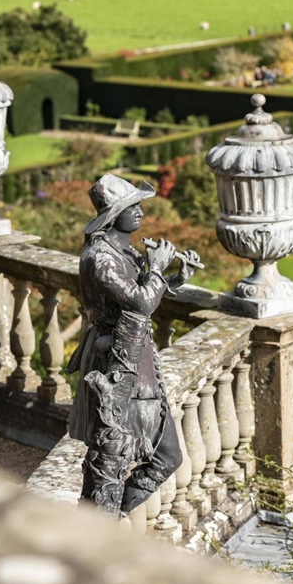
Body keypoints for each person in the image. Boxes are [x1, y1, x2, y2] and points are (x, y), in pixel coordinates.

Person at [67, 174, 200, 519]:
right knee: (111, 457)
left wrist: (174, 279)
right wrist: (156, 267)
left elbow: (139, 293)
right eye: (132, 207)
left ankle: (109, 518)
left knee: (167, 457)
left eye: (139, 205)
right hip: (115, 364)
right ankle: (98, 523)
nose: (140, 212)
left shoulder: (121, 250)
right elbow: (140, 302)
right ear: (113, 214)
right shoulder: (100, 257)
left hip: (137, 359)